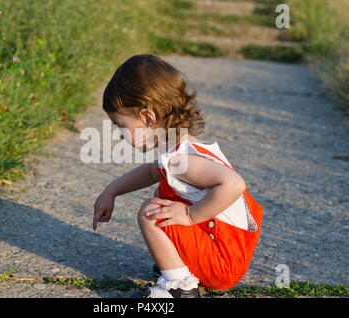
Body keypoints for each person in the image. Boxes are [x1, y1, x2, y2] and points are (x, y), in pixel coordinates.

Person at [93, 54, 263, 298]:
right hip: (222, 250)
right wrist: (112, 190)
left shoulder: (182, 160)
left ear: (148, 118)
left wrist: (190, 215)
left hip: (223, 262)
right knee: (162, 193)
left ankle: (180, 286)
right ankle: (178, 261)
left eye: (122, 126)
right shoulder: (175, 150)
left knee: (150, 212)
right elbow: (152, 171)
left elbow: (234, 183)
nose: (121, 135)